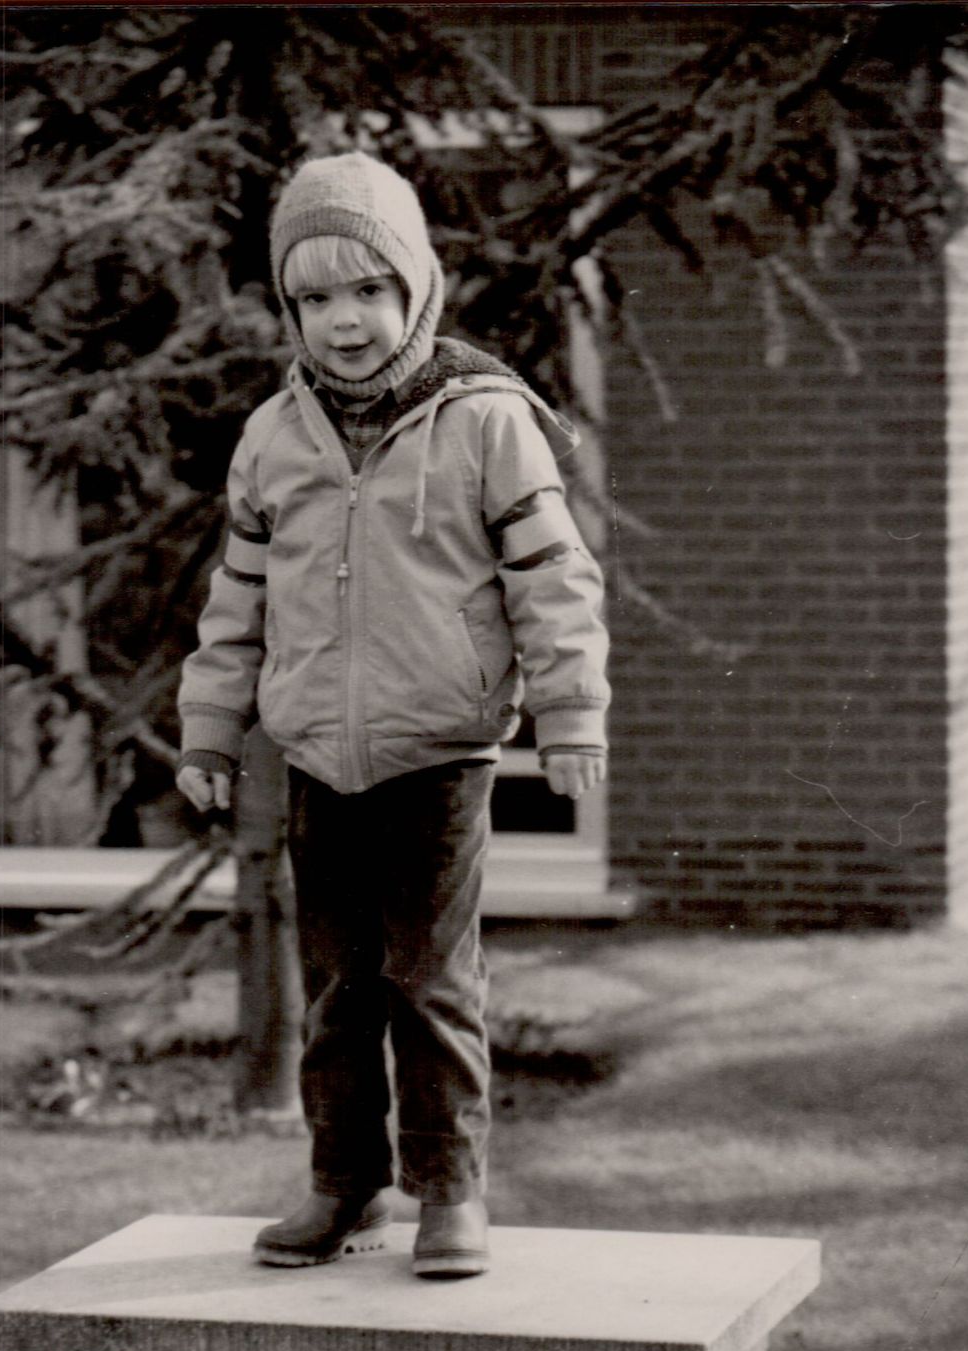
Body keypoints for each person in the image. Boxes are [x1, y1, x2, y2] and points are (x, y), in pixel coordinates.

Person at [176, 151, 609, 1278]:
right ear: (290, 309)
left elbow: (552, 579)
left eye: (365, 290)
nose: (342, 321)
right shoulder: (273, 436)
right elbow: (235, 600)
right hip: (318, 756)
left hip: (438, 755)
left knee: (430, 978)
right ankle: (341, 1180)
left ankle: (450, 1189)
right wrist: (212, 730)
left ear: (415, 287)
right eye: (312, 298)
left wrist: (569, 717)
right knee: (336, 986)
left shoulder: (484, 419)